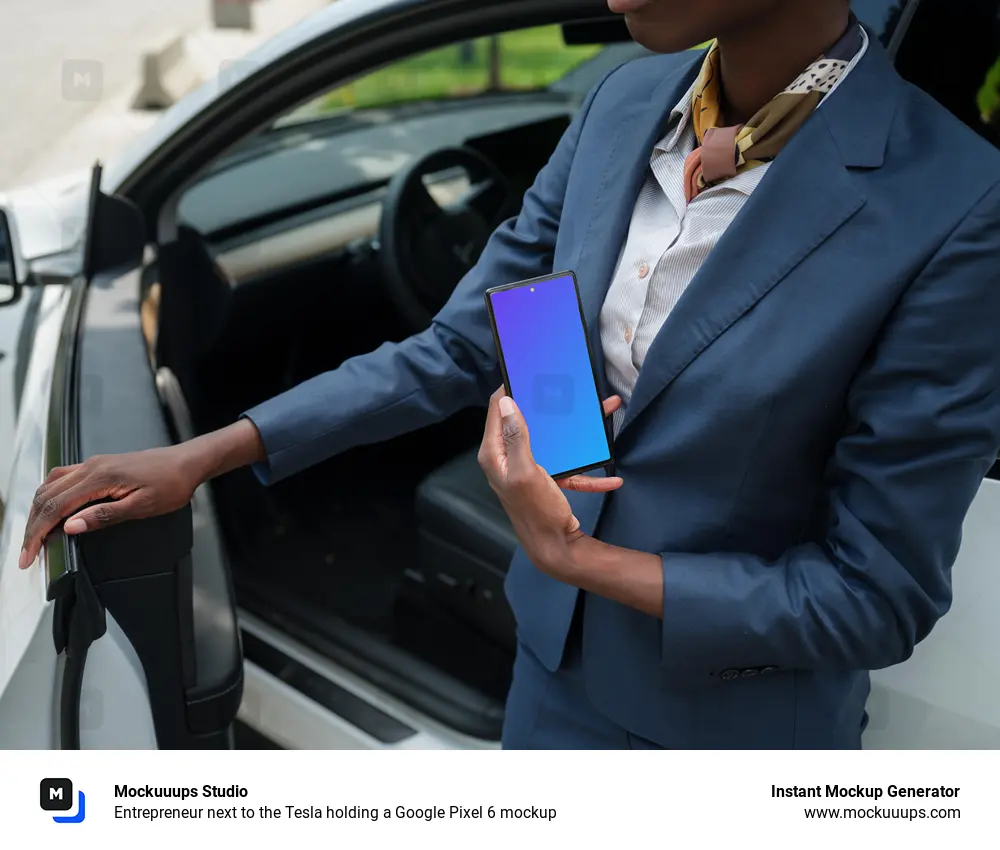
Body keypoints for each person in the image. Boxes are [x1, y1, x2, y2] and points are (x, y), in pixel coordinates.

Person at [18, 0, 1000, 748]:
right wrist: (202, 456)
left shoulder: (953, 201)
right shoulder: (622, 102)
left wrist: (583, 560)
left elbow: (874, 596)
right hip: (546, 669)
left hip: (731, 737)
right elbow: (466, 346)